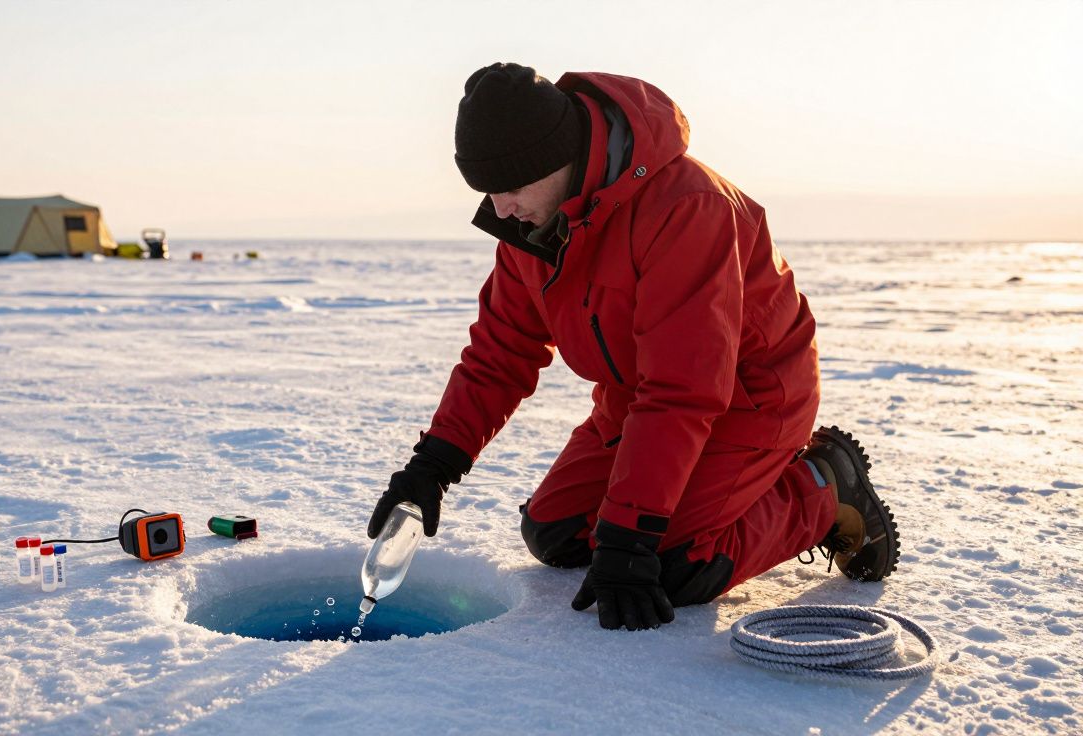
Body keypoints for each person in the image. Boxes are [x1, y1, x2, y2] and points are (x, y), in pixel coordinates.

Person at [366, 63, 900, 631]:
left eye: (512, 188)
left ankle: (820, 488)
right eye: (488, 191)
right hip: (639, 401)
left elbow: (685, 388)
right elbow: (500, 352)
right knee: (556, 534)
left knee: (670, 566)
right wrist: (433, 466)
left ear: (558, 160)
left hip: (752, 398)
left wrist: (630, 535)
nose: (500, 209)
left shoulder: (686, 207)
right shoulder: (533, 227)